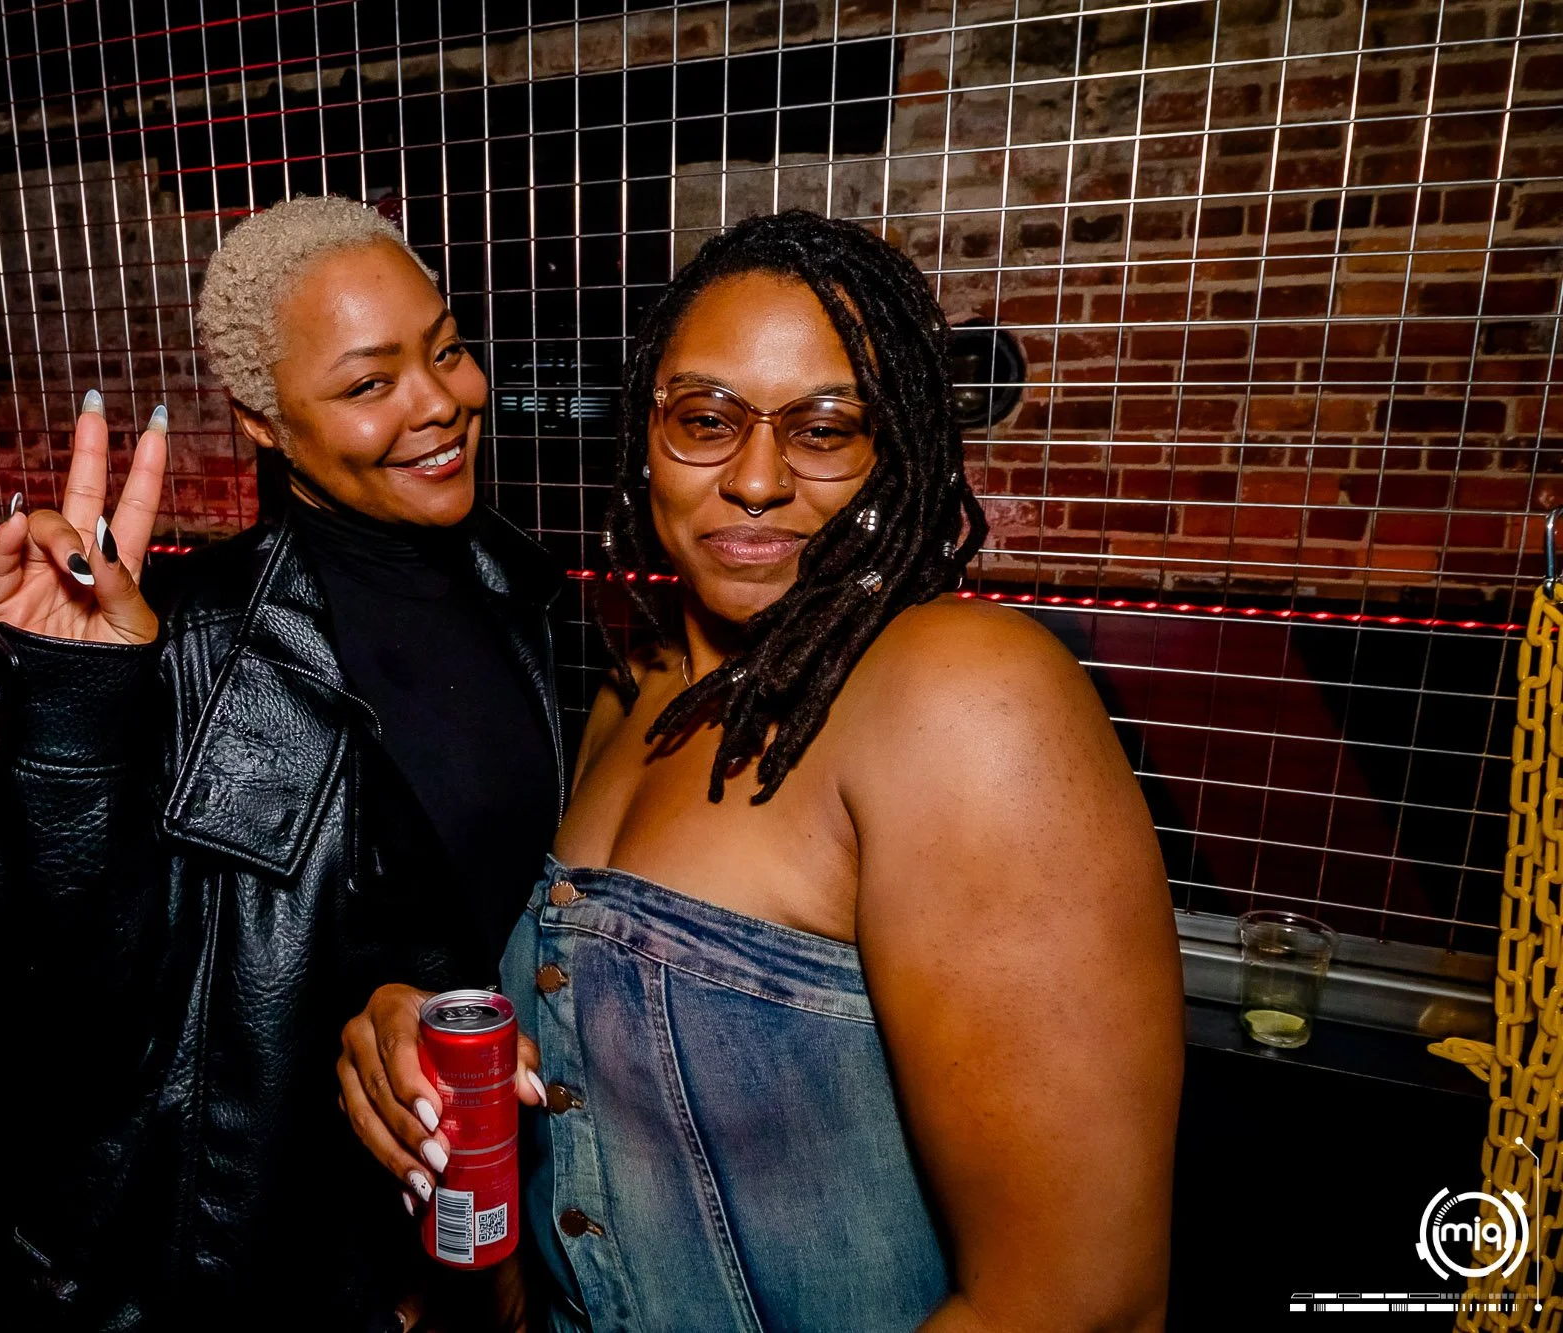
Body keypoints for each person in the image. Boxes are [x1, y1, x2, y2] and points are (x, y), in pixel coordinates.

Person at [337, 210, 1185, 1332]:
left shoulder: (965, 694)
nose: (755, 478)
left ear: (893, 451)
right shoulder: (637, 692)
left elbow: (1081, 1305)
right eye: (706, 419)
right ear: (646, 438)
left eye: (824, 429)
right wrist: (418, 1055)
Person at [0, 195, 558, 1331]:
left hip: (494, 1228)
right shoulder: (192, 642)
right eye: (369, 383)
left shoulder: (519, 591)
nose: (441, 400)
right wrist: (69, 718)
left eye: (446, 349)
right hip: (284, 1267)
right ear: (263, 421)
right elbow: (52, 1005)